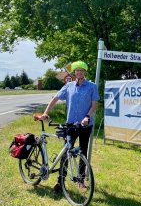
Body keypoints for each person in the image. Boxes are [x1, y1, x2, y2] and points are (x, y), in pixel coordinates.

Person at [37, 60, 100, 193]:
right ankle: (60, 181)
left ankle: (81, 181)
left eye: (81, 70)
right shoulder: (69, 86)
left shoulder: (92, 86)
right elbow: (55, 98)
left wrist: (87, 117)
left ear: (85, 72)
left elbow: (94, 105)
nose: (79, 72)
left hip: (85, 125)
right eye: (77, 70)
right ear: (74, 72)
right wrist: (45, 112)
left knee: (83, 151)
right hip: (71, 124)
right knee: (66, 152)